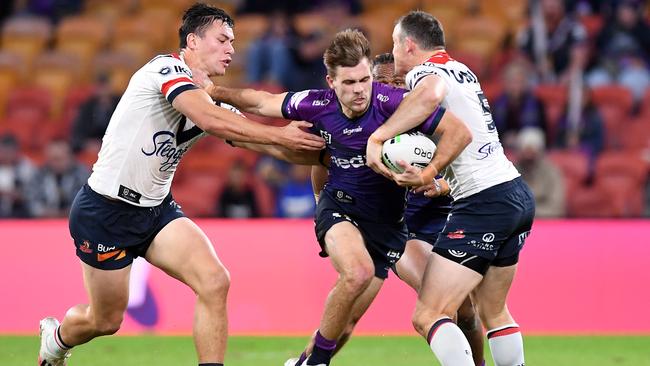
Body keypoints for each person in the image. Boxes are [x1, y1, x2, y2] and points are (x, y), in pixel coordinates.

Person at [37, 4, 325, 366]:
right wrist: (282, 136)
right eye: (222, 40)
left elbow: (259, 143)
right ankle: (57, 340)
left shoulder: (208, 96)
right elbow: (211, 120)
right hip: (105, 211)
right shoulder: (165, 68)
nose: (231, 49)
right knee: (105, 320)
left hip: (156, 211)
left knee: (214, 281)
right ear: (193, 40)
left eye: (233, 42)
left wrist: (329, 153)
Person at [203, 29, 471, 366]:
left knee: (345, 325)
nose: (359, 90)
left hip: (389, 228)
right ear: (332, 82)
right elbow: (263, 102)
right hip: (342, 208)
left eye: (364, 81)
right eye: (350, 83)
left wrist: (433, 177)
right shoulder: (319, 105)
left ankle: (304, 362)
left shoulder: (397, 107)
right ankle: (317, 363)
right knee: (357, 273)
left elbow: (459, 141)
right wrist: (213, 91)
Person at [365, 11, 535, 366]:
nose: (394, 54)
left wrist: (379, 138)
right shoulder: (461, 68)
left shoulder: (425, 74)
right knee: (494, 311)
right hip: (513, 191)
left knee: (428, 314)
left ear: (408, 45)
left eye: (395, 44)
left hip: (483, 199)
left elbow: (430, 96)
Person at [26, 139, 90, 218]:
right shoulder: (38, 175)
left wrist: (66, 213)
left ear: (70, 157)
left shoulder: (82, 175)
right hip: (44, 221)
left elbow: (85, 203)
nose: (56, 163)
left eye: (60, 159)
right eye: (52, 159)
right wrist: (47, 212)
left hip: (75, 220)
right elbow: (31, 202)